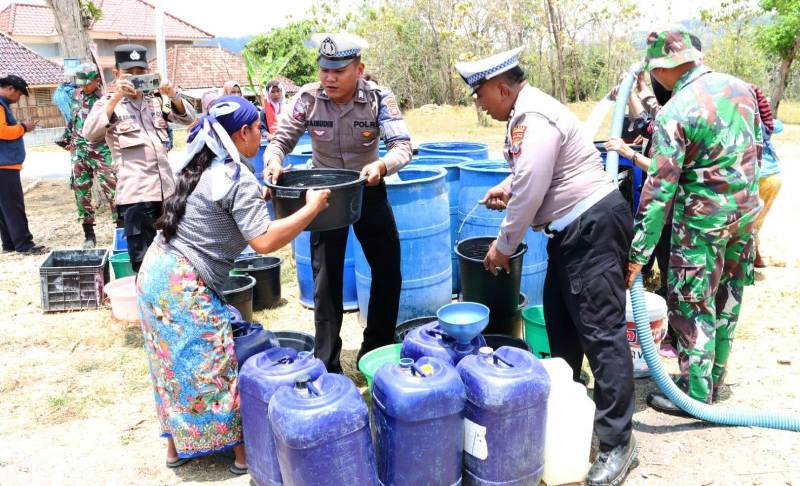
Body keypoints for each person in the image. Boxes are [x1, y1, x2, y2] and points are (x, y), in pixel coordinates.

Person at [457, 48, 637, 485]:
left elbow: (532, 188)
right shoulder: (526, 112)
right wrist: (506, 185)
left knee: (600, 331)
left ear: (502, 87)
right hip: (570, 233)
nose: (480, 104)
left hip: (590, 227)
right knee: (562, 323)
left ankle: (618, 443)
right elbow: (530, 172)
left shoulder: (532, 117)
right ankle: (564, 413)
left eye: (480, 94)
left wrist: (503, 245)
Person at [136, 95, 331, 473]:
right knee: (213, 361)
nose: (264, 133)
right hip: (183, 283)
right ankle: (241, 455)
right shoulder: (235, 176)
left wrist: (266, 191)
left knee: (169, 362)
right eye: (260, 128)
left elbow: (224, 205)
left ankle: (176, 448)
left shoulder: (202, 163)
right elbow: (264, 242)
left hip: (156, 273)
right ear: (243, 132)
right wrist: (312, 207)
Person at [626, 30, 762, 413]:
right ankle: (715, 378)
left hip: (702, 225)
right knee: (728, 300)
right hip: (744, 217)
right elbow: (758, 149)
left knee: (693, 304)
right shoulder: (741, 90)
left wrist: (638, 251)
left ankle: (697, 396)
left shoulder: (677, 109)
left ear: (664, 67)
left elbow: (659, 189)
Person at [264, 32, 412, 373]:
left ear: (358, 69)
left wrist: (382, 165)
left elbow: (402, 146)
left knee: (388, 271)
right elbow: (280, 139)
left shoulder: (378, 99)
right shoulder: (308, 98)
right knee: (326, 280)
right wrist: (272, 159)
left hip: (367, 189)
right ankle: (327, 363)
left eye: (339, 71)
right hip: (324, 197)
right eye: (324, 70)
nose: (329, 78)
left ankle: (375, 351)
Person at [83, 44, 196, 272]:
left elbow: (189, 118)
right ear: (116, 74)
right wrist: (115, 98)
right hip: (137, 196)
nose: (135, 78)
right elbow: (90, 133)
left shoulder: (156, 101)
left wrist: (173, 95)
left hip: (168, 192)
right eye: (128, 74)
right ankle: (146, 305)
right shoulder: (108, 104)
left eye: (140, 73)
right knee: (144, 263)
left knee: (175, 256)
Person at [61, 63, 118, 248]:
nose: (84, 86)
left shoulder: (106, 98)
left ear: (97, 80)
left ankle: (121, 230)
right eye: (82, 83)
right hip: (79, 151)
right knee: (81, 191)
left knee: (114, 190)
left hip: (101, 150)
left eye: (88, 82)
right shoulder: (76, 96)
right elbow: (73, 119)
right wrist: (67, 137)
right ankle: (89, 234)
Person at [0, 74, 47, 255]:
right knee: (13, 205)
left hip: (4, 164)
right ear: (11, 89)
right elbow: (2, 131)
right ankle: (24, 244)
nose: (19, 98)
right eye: (19, 94)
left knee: (4, 207)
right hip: (4, 165)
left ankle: (9, 243)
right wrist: (23, 127)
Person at [752, 85, 781, 268]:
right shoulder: (768, 125)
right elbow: (779, 126)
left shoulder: (743, 121)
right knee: (756, 221)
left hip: (756, 177)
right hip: (774, 178)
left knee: (747, 222)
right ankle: (757, 256)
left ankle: (753, 258)